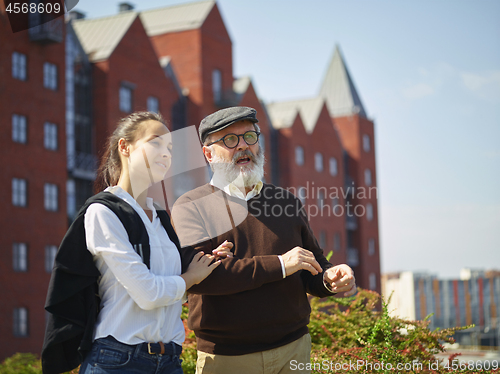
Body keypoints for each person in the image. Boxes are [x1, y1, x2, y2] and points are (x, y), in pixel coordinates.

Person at [41, 111, 232, 374]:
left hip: (169, 361)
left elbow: (173, 293)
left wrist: (206, 264)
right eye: (155, 142)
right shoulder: (103, 212)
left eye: (170, 148)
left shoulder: (162, 218)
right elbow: (149, 293)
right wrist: (191, 277)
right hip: (117, 361)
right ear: (125, 147)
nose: (166, 154)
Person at [171, 106, 357, 374]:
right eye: (230, 140)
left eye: (250, 136)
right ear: (208, 154)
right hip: (227, 358)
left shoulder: (286, 201)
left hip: (294, 349)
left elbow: (311, 264)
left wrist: (330, 278)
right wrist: (280, 264)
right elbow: (203, 277)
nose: (243, 146)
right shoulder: (191, 206)